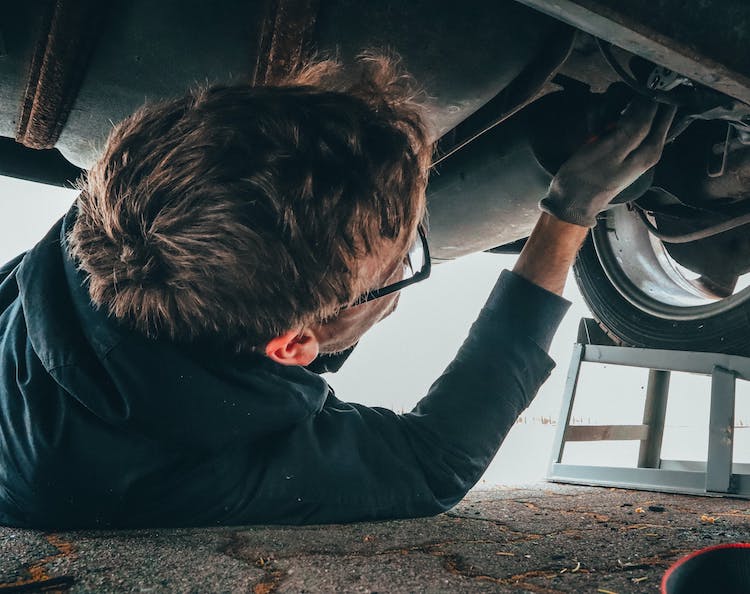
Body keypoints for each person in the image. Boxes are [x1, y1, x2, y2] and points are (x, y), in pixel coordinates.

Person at [0, 55, 675, 528]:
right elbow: (434, 462)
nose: (404, 271)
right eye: (399, 266)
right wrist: (567, 216)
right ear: (293, 344)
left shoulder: (131, 208)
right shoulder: (168, 469)